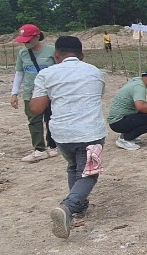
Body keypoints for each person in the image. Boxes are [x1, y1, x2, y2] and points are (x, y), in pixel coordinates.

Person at [29, 36, 107, 239]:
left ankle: (79, 208)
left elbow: (36, 108)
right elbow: (96, 96)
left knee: (74, 166)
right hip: (91, 132)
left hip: (62, 135)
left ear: (57, 55)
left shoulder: (46, 74)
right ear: (82, 55)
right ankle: (68, 207)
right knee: (88, 174)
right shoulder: (94, 71)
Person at [11, 24, 58, 163]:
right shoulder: (22, 54)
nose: (25, 43)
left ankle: (53, 145)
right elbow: (19, 74)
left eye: (28, 40)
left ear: (37, 37)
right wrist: (14, 93)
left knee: (51, 119)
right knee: (34, 121)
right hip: (30, 93)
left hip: (50, 93)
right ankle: (39, 149)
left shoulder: (52, 51)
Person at [107, 63, 147, 150]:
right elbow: (141, 107)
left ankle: (129, 135)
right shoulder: (139, 87)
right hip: (118, 122)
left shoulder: (137, 80)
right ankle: (125, 139)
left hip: (121, 117)